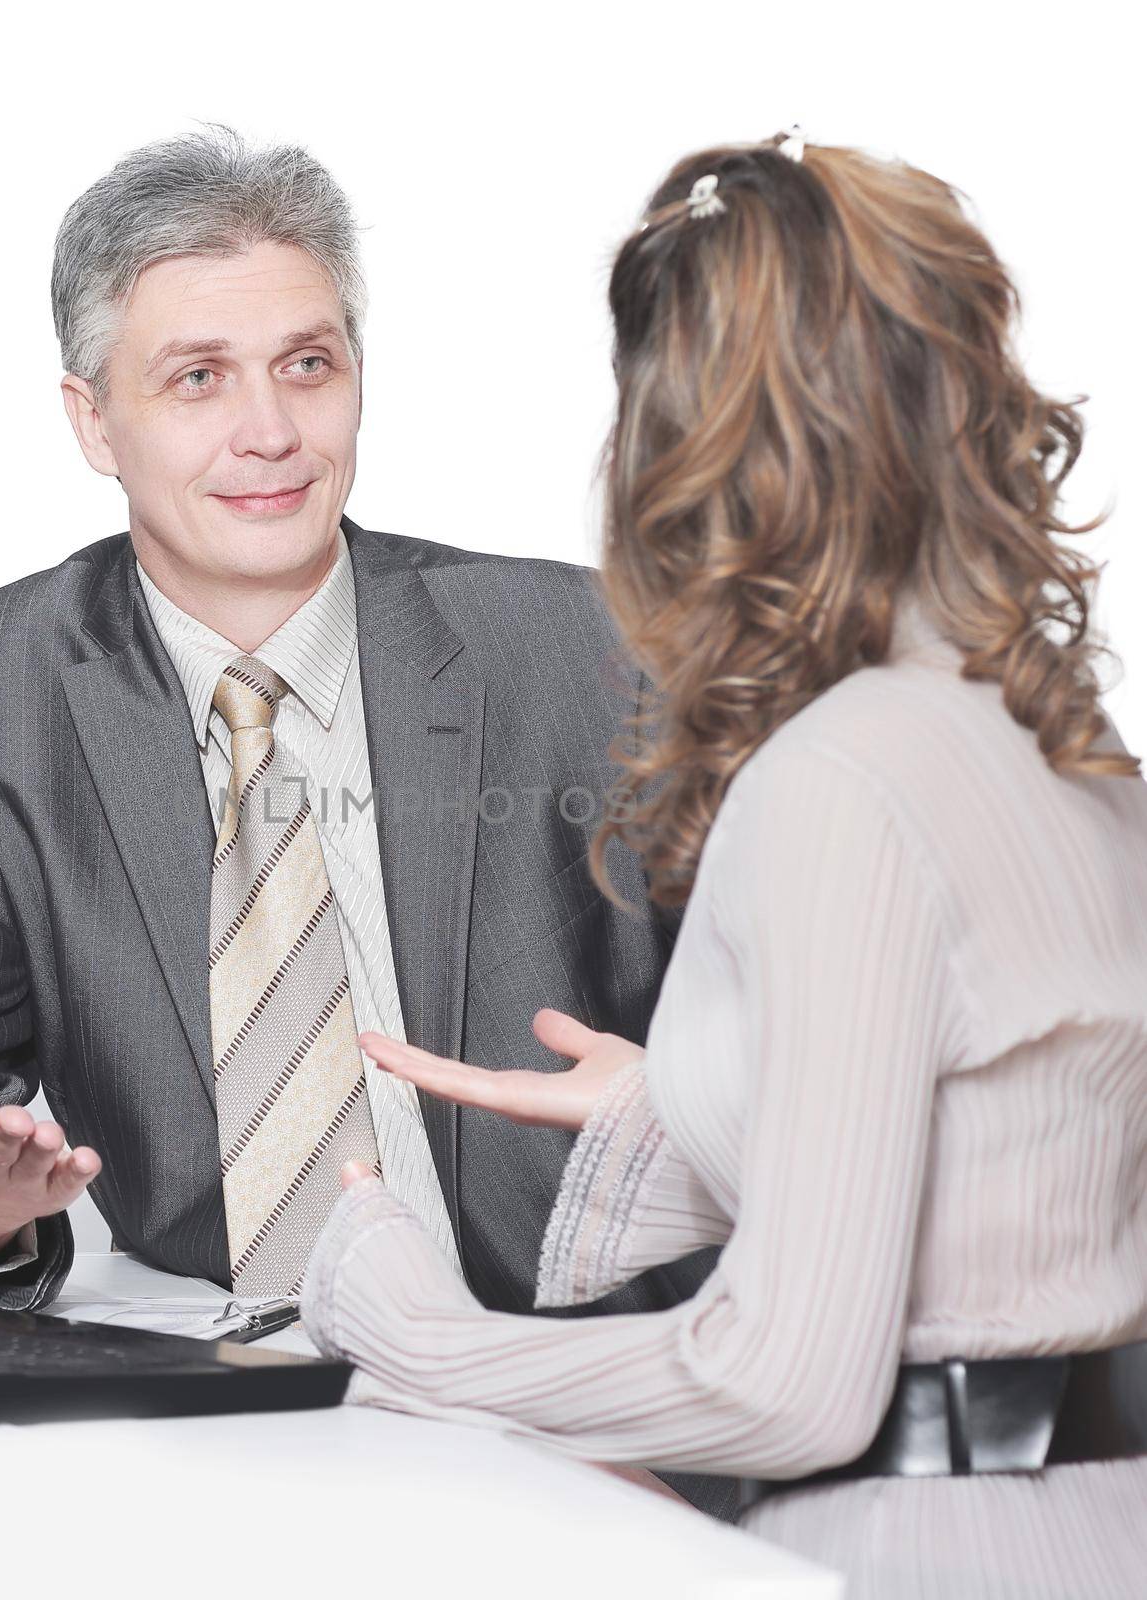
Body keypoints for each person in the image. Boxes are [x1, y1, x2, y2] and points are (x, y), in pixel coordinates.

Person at [0, 125, 736, 1517]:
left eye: (309, 364)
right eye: (196, 380)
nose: (270, 434)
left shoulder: (585, 648)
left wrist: (696, 1108)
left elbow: (815, 1047)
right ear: (91, 421)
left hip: (587, 1382)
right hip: (238, 1407)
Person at [296, 129, 1147, 1596]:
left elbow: (788, 1384)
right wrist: (680, 1106)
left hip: (904, 1553)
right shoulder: (1075, 760)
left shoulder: (838, 784)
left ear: (684, 447)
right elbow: (1017, 1169)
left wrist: (413, 1331)